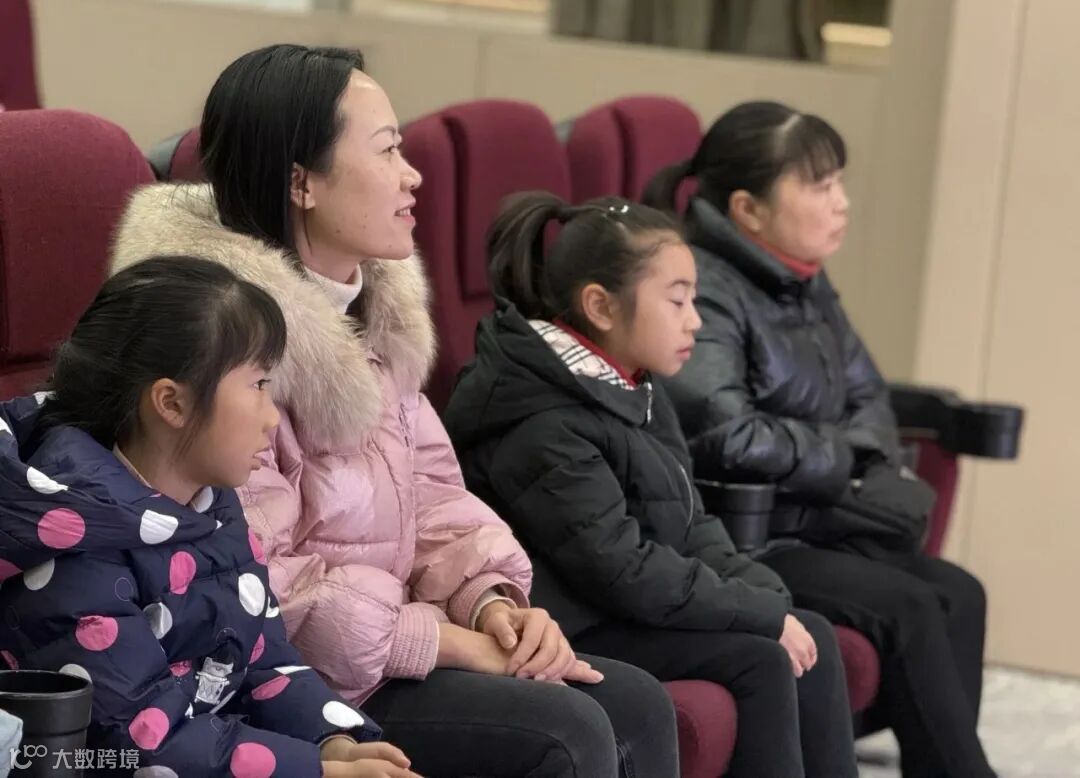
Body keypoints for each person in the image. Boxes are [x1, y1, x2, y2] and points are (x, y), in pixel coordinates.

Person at [108, 44, 679, 778]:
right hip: (290, 683)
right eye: (386, 151)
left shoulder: (371, 311)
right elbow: (256, 586)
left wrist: (490, 604)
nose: (412, 176)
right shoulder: (219, 343)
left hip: (392, 647)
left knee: (637, 702)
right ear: (301, 182)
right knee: (566, 731)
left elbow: (433, 492)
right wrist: (442, 641)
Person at [442, 191, 859, 778]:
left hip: (626, 605)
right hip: (574, 623)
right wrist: (758, 614)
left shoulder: (632, 383)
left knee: (807, 630)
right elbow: (622, 571)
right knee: (762, 657)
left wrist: (764, 595)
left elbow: (691, 522)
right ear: (601, 306)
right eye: (677, 300)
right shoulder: (538, 419)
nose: (695, 320)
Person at [646, 100, 995, 778]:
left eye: (839, 183)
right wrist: (843, 458)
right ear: (748, 209)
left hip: (815, 515)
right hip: (746, 532)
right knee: (910, 606)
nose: (841, 203)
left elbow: (868, 392)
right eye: (819, 185)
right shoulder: (706, 290)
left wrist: (854, 455)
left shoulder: (802, 278)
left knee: (962, 592)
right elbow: (723, 431)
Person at [0, 257, 420, 777]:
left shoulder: (209, 505)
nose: (272, 417)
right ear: (172, 403)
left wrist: (333, 742)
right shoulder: (74, 543)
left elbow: (263, 660)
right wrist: (317, 770)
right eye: (259, 384)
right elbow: (141, 743)